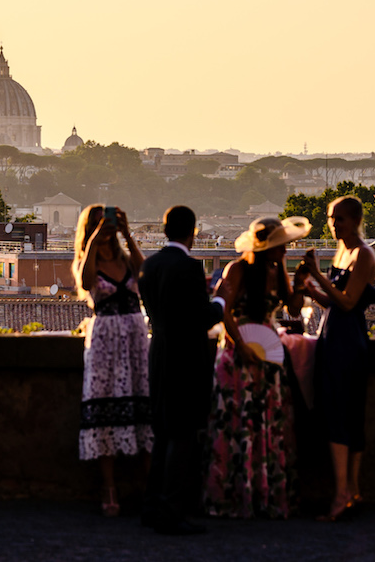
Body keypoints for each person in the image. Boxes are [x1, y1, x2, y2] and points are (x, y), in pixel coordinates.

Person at [203, 216, 309, 519]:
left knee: (247, 422)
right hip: (242, 351)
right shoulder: (237, 269)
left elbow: (293, 308)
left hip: (262, 354)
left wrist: (300, 281)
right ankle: (253, 493)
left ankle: (249, 493)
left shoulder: (278, 271)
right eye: (280, 246)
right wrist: (241, 343)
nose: (284, 250)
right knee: (254, 422)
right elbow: (222, 308)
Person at [137, 205, 226, 536]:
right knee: (182, 434)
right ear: (193, 231)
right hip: (185, 358)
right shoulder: (189, 267)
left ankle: (151, 505)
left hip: (158, 352)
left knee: (161, 433)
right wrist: (221, 300)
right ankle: (171, 511)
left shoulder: (149, 265)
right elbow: (202, 318)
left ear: (164, 229)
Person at [295, 195, 375, 522]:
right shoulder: (342, 252)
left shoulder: (363, 254)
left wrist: (317, 276)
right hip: (334, 336)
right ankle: (351, 491)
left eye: (339, 219)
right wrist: (309, 289)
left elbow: (347, 303)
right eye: (332, 218)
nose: (333, 224)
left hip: (348, 341)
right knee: (340, 413)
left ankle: (343, 493)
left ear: (355, 220)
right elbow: (333, 302)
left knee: (342, 415)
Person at [72, 204, 150, 517]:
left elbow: (146, 277)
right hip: (105, 340)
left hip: (134, 337)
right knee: (105, 412)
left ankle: (148, 488)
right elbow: (87, 282)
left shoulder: (126, 259)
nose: (105, 228)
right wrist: (92, 240)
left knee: (142, 411)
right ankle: (109, 488)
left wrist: (128, 234)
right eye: (98, 224)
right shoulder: (84, 259)